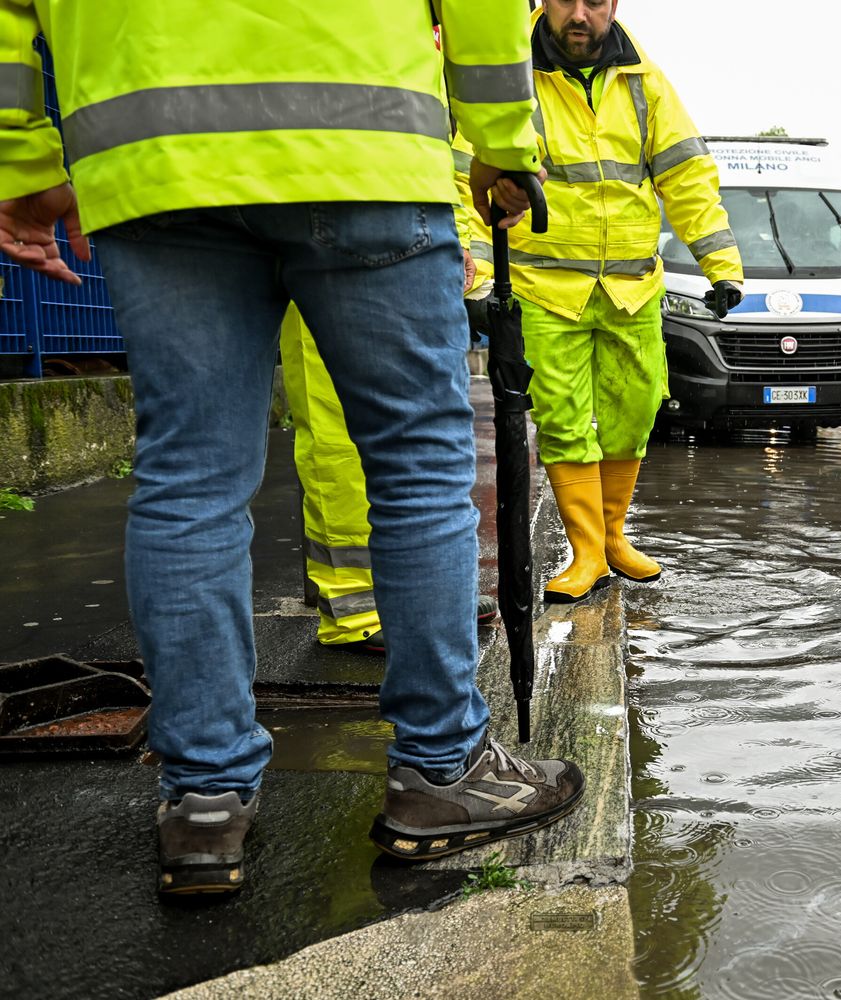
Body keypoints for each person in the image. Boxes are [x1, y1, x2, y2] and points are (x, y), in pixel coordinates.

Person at [0, 0, 584, 895]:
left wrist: (23, 161)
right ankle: (441, 769)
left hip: (153, 159)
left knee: (188, 483)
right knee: (417, 468)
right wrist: (503, 146)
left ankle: (204, 800)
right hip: (362, 142)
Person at [491, 0, 744, 604]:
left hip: (632, 287)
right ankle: (586, 553)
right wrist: (474, 269)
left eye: (595, 2)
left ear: (614, 5)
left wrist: (722, 266)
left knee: (635, 411)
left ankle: (612, 536)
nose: (579, 15)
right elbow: (467, 177)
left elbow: (686, 176)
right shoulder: (509, 77)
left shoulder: (644, 81)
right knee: (563, 420)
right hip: (546, 288)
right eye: (565, 0)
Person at [281, 133, 500, 655]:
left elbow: (455, 158)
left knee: (421, 433)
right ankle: (355, 607)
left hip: (399, 221)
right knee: (336, 430)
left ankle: (424, 596)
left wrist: (463, 247)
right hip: (309, 200)